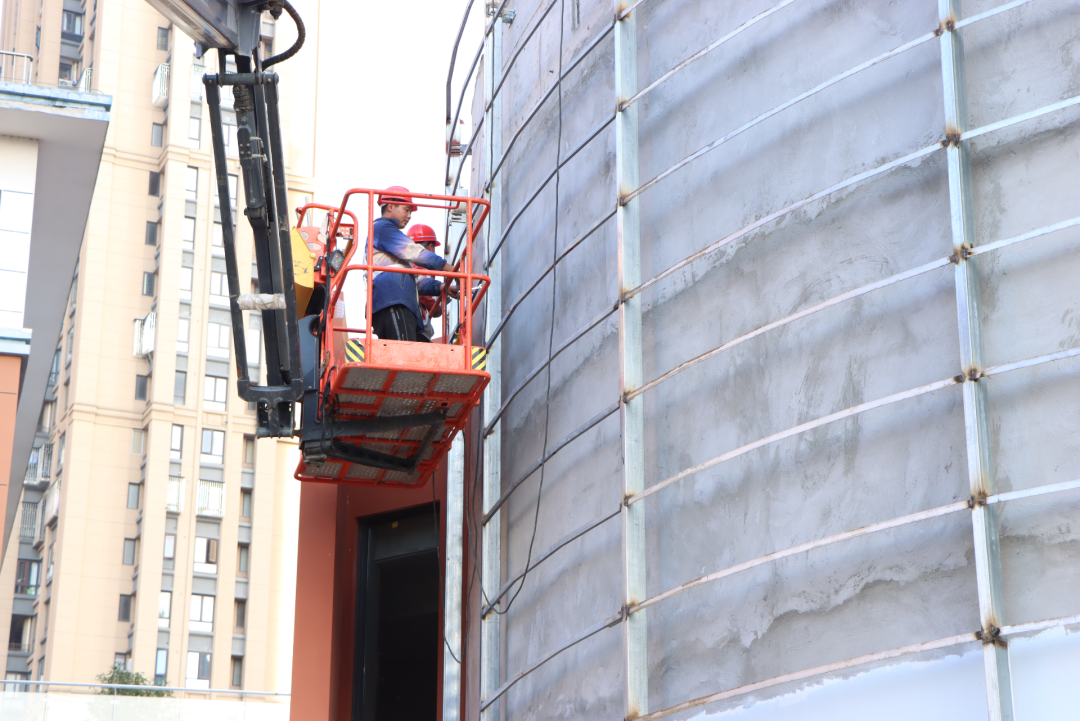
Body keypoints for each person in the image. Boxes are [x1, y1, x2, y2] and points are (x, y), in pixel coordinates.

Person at [369, 187, 456, 342]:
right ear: (390, 206)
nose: (409, 216)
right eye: (406, 209)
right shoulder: (382, 228)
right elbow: (417, 253)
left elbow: (416, 282)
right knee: (404, 355)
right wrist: (454, 271)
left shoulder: (391, 252)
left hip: (395, 301)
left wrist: (443, 288)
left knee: (413, 353)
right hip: (393, 301)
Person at [407, 224, 446, 342]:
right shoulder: (422, 267)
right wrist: (437, 307)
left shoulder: (406, 264)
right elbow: (422, 290)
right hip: (417, 320)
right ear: (430, 246)